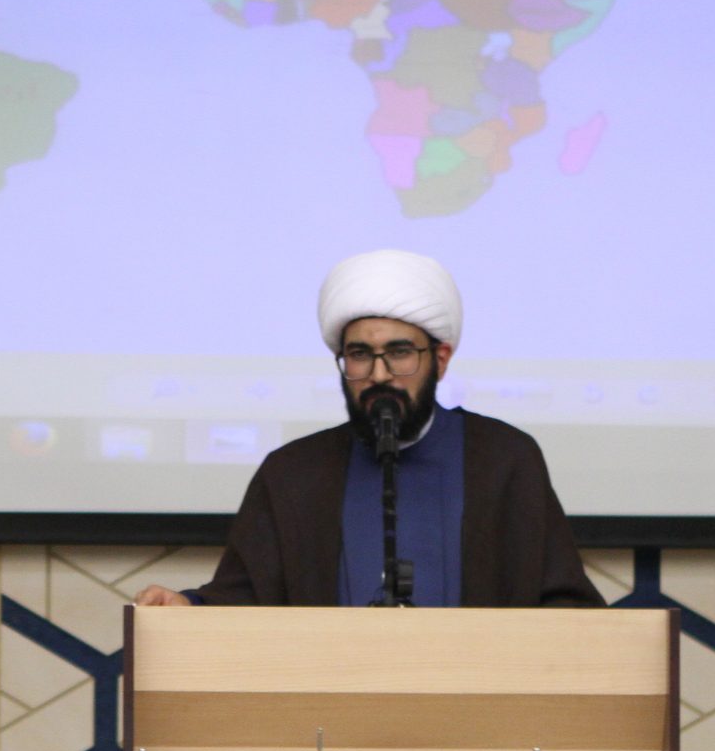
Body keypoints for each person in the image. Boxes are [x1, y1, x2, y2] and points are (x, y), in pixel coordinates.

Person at [135, 249, 601, 609]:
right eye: (359, 355)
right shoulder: (293, 472)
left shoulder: (503, 458)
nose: (379, 375)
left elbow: (562, 603)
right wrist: (190, 607)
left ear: (440, 359)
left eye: (399, 353)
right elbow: (245, 599)